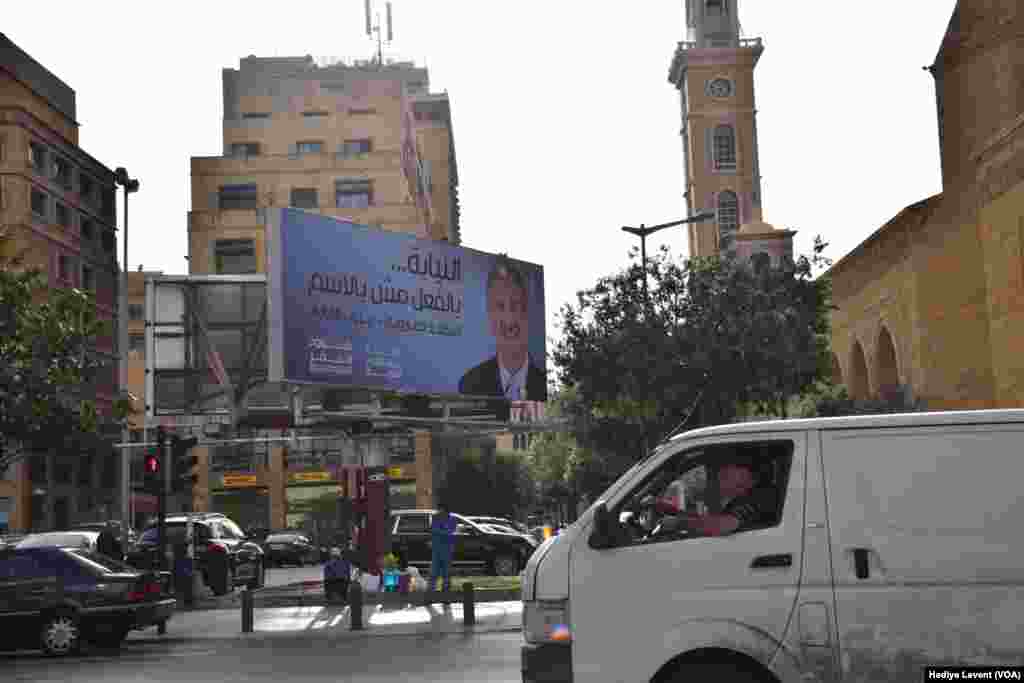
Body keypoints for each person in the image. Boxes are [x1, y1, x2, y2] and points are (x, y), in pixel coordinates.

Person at [458, 261, 546, 401]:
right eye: (500, 306)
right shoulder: (469, 384)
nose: (509, 319)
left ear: (527, 312)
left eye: (515, 305)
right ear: (489, 316)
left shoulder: (543, 385)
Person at [680, 459, 778, 537]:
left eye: (726, 468)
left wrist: (680, 523)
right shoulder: (744, 496)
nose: (719, 473)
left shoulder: (761, 495)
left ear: (744, 472)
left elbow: (727, 524)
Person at [429, 503, 457, 594]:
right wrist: (443, 530)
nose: (439, 511)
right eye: (439, 509)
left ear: (445, 510)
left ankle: (446, 591)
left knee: (447, 572)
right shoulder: (435, 518)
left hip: (447, 548)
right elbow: (434, 530)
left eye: (441, 509)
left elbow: (450, 531)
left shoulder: (452, 519)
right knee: (434, 571)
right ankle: (431, 591)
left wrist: (441, 530)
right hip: (437, 548)